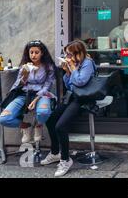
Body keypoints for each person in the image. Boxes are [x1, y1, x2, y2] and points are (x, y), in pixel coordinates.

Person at [43, 40, 96, 177]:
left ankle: (65, 160)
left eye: (70, 54)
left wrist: (71, 67)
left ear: (79, 53)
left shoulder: (87, 63)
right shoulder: (76, 64)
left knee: (60, 126)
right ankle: (55, 153)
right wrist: (67, 72)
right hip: (72, 96)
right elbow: (69, 85)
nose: (68, 57)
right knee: (50, 120)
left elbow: (80, 82)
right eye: (66, 54)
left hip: (83, 99)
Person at [0, 40, 56, 143]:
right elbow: (18, 85)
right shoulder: (24, 67)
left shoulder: (48, 67)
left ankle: (38, 125)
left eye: (36, 52)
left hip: (42, 95)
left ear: (42, 53)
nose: (33, 55)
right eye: (31, 52)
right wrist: (24, 76)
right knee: (4, 119)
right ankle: (26, 127)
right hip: (24, 94)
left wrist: (35, 100)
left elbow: (47, 86)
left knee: (43, 112)